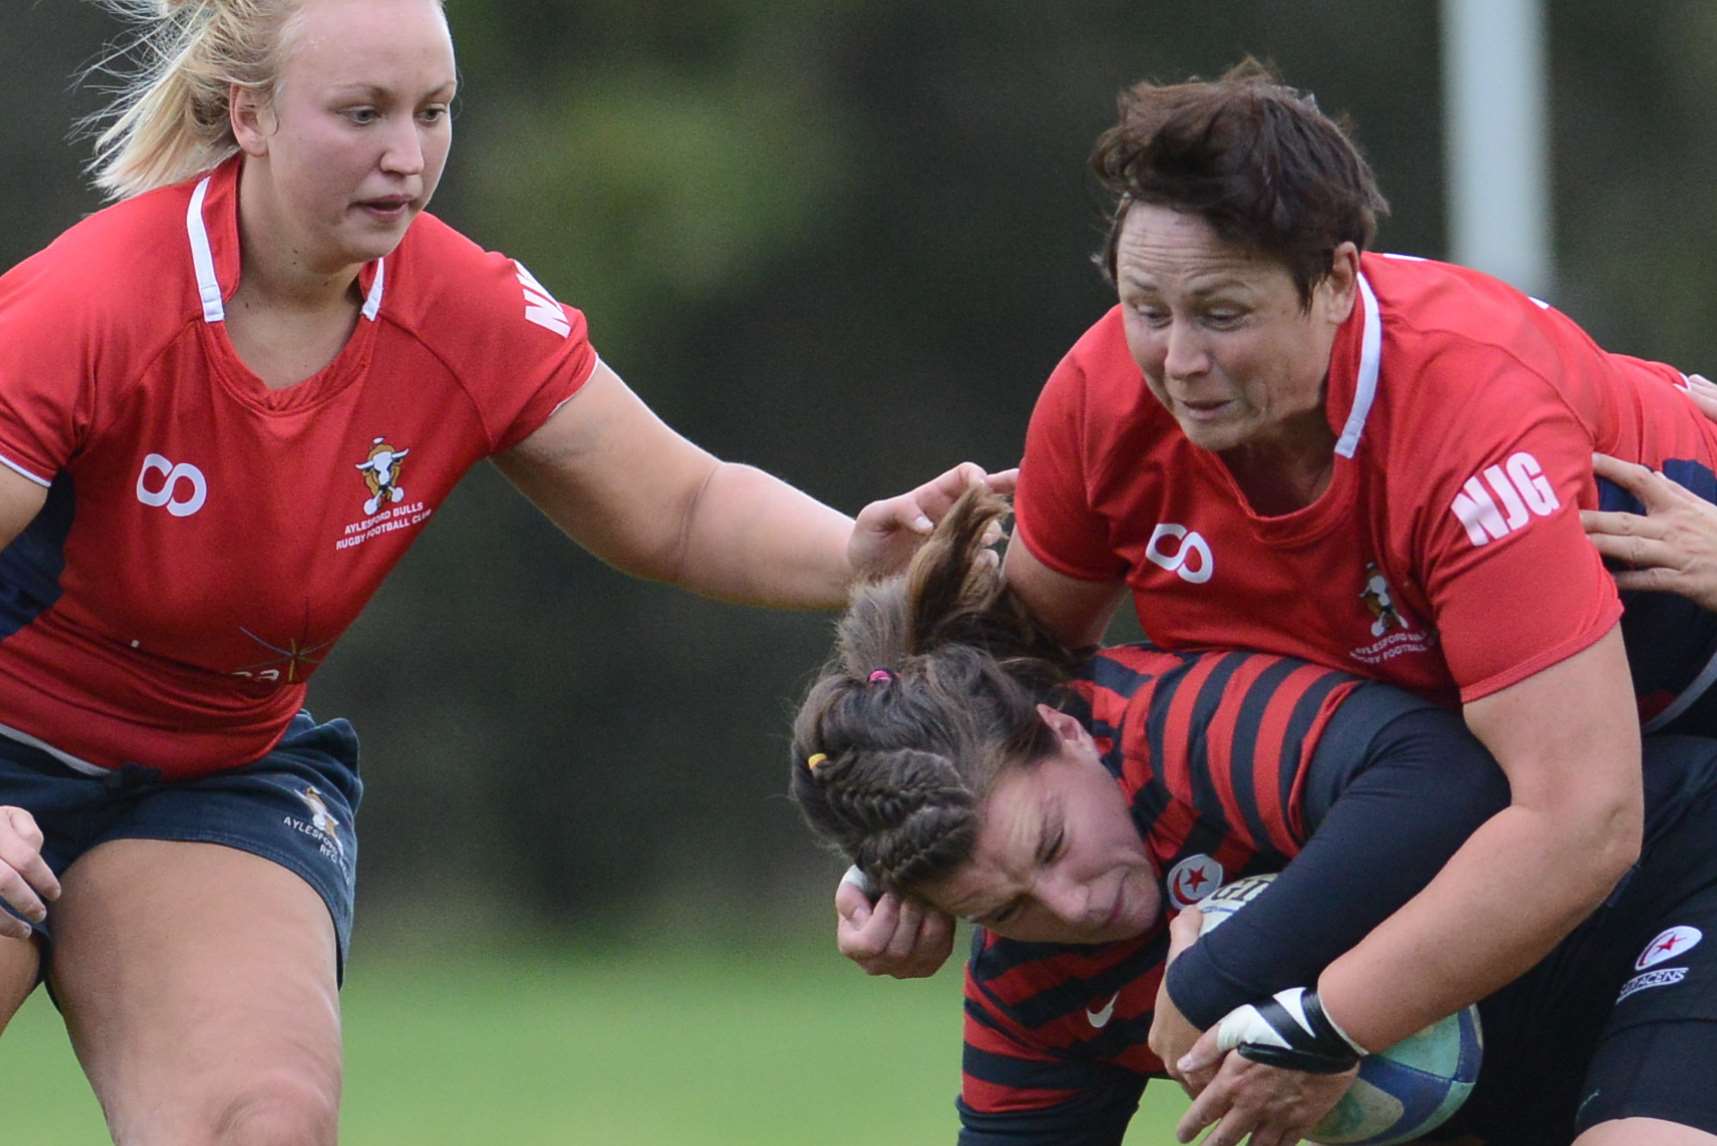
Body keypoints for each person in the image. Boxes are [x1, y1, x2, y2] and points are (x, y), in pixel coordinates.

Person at [0, 1, 1009, 1141]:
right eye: (361, 113)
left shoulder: (458, 307)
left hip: (212, 774)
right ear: (254, 116)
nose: (405, 155)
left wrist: (854, 552)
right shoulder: (98, 303)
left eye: (433, 113)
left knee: (262, 1124)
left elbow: (677, 507)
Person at [842, 55, 1717, 1080]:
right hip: (1540, 808)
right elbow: (1013, 685)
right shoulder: (1101, 400)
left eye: (1221, 314)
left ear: (1339, 281)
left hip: (1649, 756)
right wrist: (903, 848)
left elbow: (1580, 818)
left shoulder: (1466, 426)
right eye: (1145, 308)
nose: (1177, 361)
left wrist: (1318, 1022)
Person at [794, 488, 1717, 1145]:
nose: (1071, 906)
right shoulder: (1033, 995)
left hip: (1668, 884)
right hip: (1498, 1070)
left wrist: (1218, 984)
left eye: (1052, 845)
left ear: (1063, 730)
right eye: (1003, 910)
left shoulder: (1177, 727)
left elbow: (1440, 780)